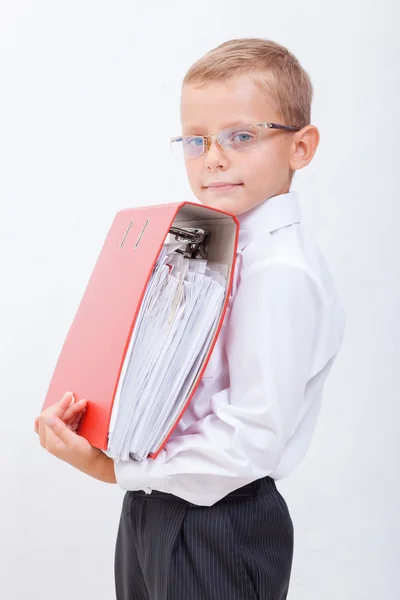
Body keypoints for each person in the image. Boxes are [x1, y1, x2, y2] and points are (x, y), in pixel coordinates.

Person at [35, 38, 346, 599]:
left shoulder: (279, 272)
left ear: (301, 147)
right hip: (158, 504)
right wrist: (103, 427)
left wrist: (112, 471)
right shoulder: (216, 249)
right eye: (196, 140)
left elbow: (249, 441)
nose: (214, 158)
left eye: (241, 136)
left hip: (218, 523)